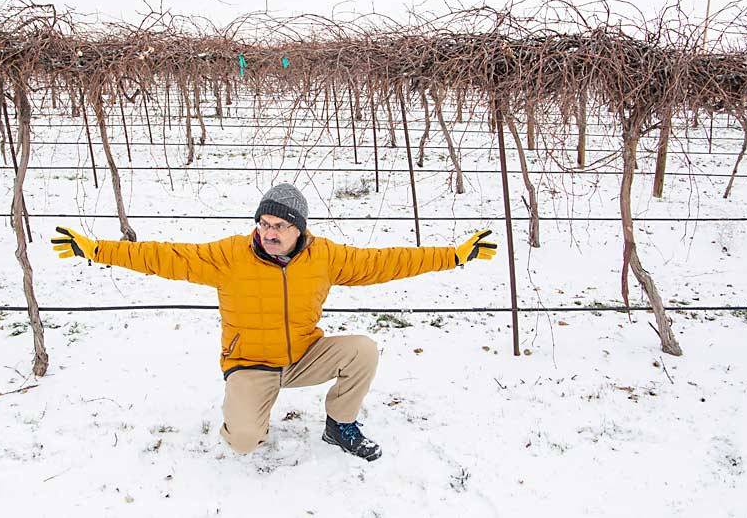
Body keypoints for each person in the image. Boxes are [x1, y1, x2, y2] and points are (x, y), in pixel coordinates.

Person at [52, 183, 496, 461]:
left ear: (299, 229)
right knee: (244, 441)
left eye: (280, 225)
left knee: (362, 348)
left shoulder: (325, 257)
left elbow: (384, 262)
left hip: (303, 355)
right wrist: (97, 249)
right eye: (264, 222)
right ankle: (243, 412)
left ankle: (339, 423)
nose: (269, 232)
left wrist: (453, 256)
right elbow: (162, 257)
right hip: (250, 363)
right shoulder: (228, 256)